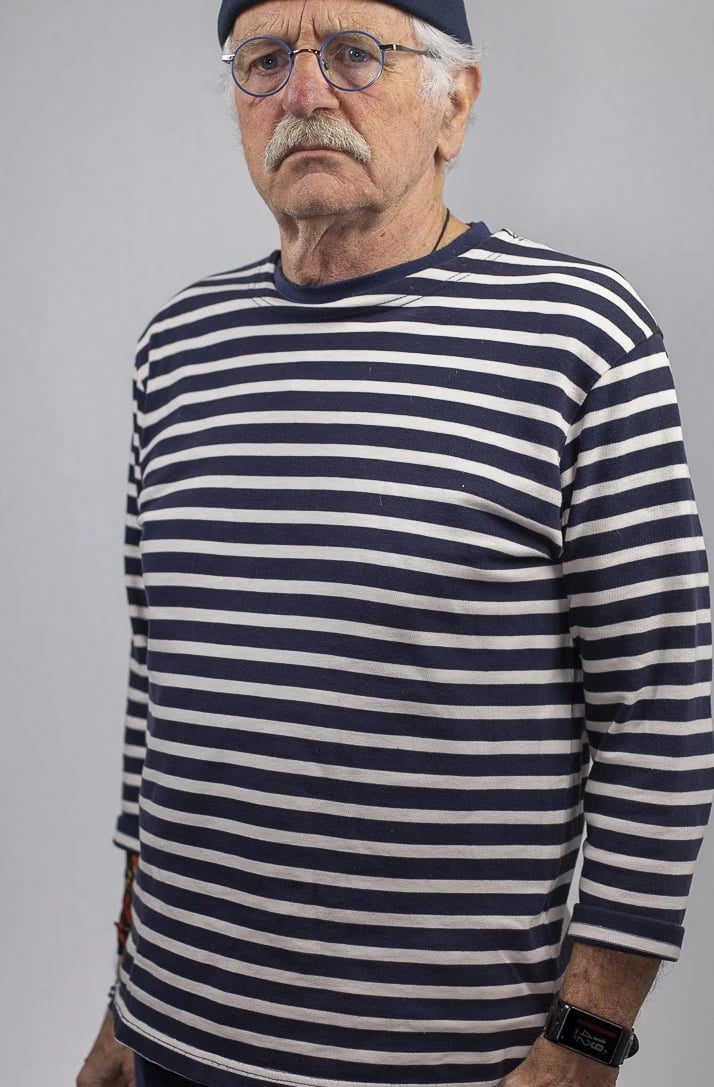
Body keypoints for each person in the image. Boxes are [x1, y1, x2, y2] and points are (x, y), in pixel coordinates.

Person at [77, 2, 714, 1086]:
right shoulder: (178, 349)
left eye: (354, 54)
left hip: (449, 1059)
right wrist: (123, 1003)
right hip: (173, 1035)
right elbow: (162, 698)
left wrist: (587, 1038)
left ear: (455, 102)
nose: (304, 94)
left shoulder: (580, 335)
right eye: (264, 60)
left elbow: (659, 709)